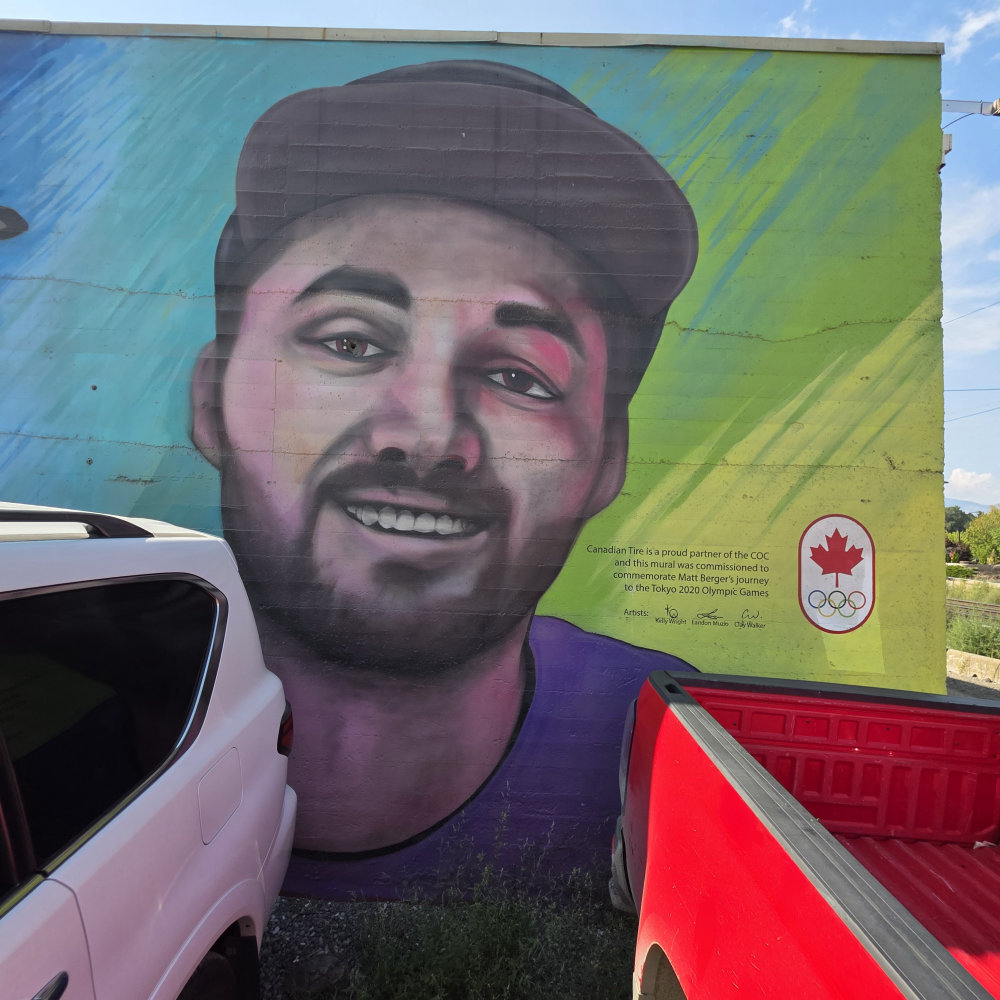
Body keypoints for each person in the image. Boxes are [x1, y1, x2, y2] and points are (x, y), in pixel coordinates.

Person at [190, 59, 699, 897]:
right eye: (350, 342)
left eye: (519, 376)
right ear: (211, 401)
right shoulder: (56, 723)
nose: (428, 436)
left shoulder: (679, 743)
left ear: (607, 461)